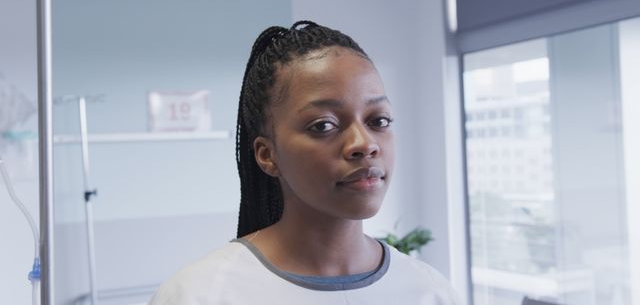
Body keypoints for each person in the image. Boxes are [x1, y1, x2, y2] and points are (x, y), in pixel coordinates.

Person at [148, 21, 461, 305]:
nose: (364, 144)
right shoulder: (198, 295)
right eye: (323, 125)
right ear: (267, 155)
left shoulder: (430, 292)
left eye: (378, 120)